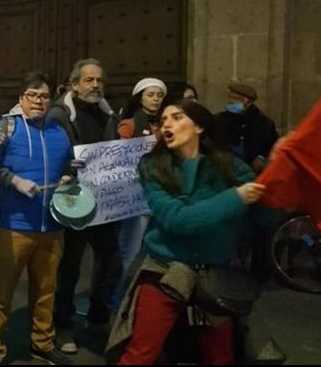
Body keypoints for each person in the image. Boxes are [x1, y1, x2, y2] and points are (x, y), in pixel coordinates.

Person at [106, 99, 270, 365]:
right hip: (166, 273)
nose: (166, 124)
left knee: (220, 357)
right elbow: (178, 220)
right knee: (141, 354)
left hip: (215, 278)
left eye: (177, 117)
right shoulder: (152, 167)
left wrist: (275, 181)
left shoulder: (230, 166)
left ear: (199, 127)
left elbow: (265, 216)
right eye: (163, 120)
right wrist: (235, 198)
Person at [0, 72, 74, 366]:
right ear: (21, 99)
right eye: (32, 95)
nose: (38, 101)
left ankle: (42, 343)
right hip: (13, 227)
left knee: (46, 292)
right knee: (2, 293)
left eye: (44, 96)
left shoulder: (60, 132)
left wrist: (70, 176)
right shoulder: (6, 127)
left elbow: (69, 165)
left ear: (51, 100)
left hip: (52, 227)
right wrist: (13, 180)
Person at [49, 59, 121, 354]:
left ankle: (98, 318)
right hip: (74, 201)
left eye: (99, 80)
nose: (95, 85)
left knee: (111, 263)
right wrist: (68, 167)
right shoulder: (60, 115)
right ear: (75, 84)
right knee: (70, 267)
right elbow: (52, 153)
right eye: (89, 80)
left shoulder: (108, 114)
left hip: (105, 203)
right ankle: (63, 324)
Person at [215, 82, 279, 282]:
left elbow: (271, 146)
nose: (230, 102)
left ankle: (260, 271)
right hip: (227, 180)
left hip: (255, 180)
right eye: (230, 97)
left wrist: (261, 157)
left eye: (235, 99)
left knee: (260, 225)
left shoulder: (264, 123)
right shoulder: (219, 121)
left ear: (247, 101)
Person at [114, 78, 167, 302]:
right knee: (130, 250)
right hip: (137, 196)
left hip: (162, 194)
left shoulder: (167, 124)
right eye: (150, 95)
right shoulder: (129, 125)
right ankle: (115, 298)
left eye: (159, 95)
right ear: (140, 98)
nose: (155, 99)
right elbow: (122, 157)